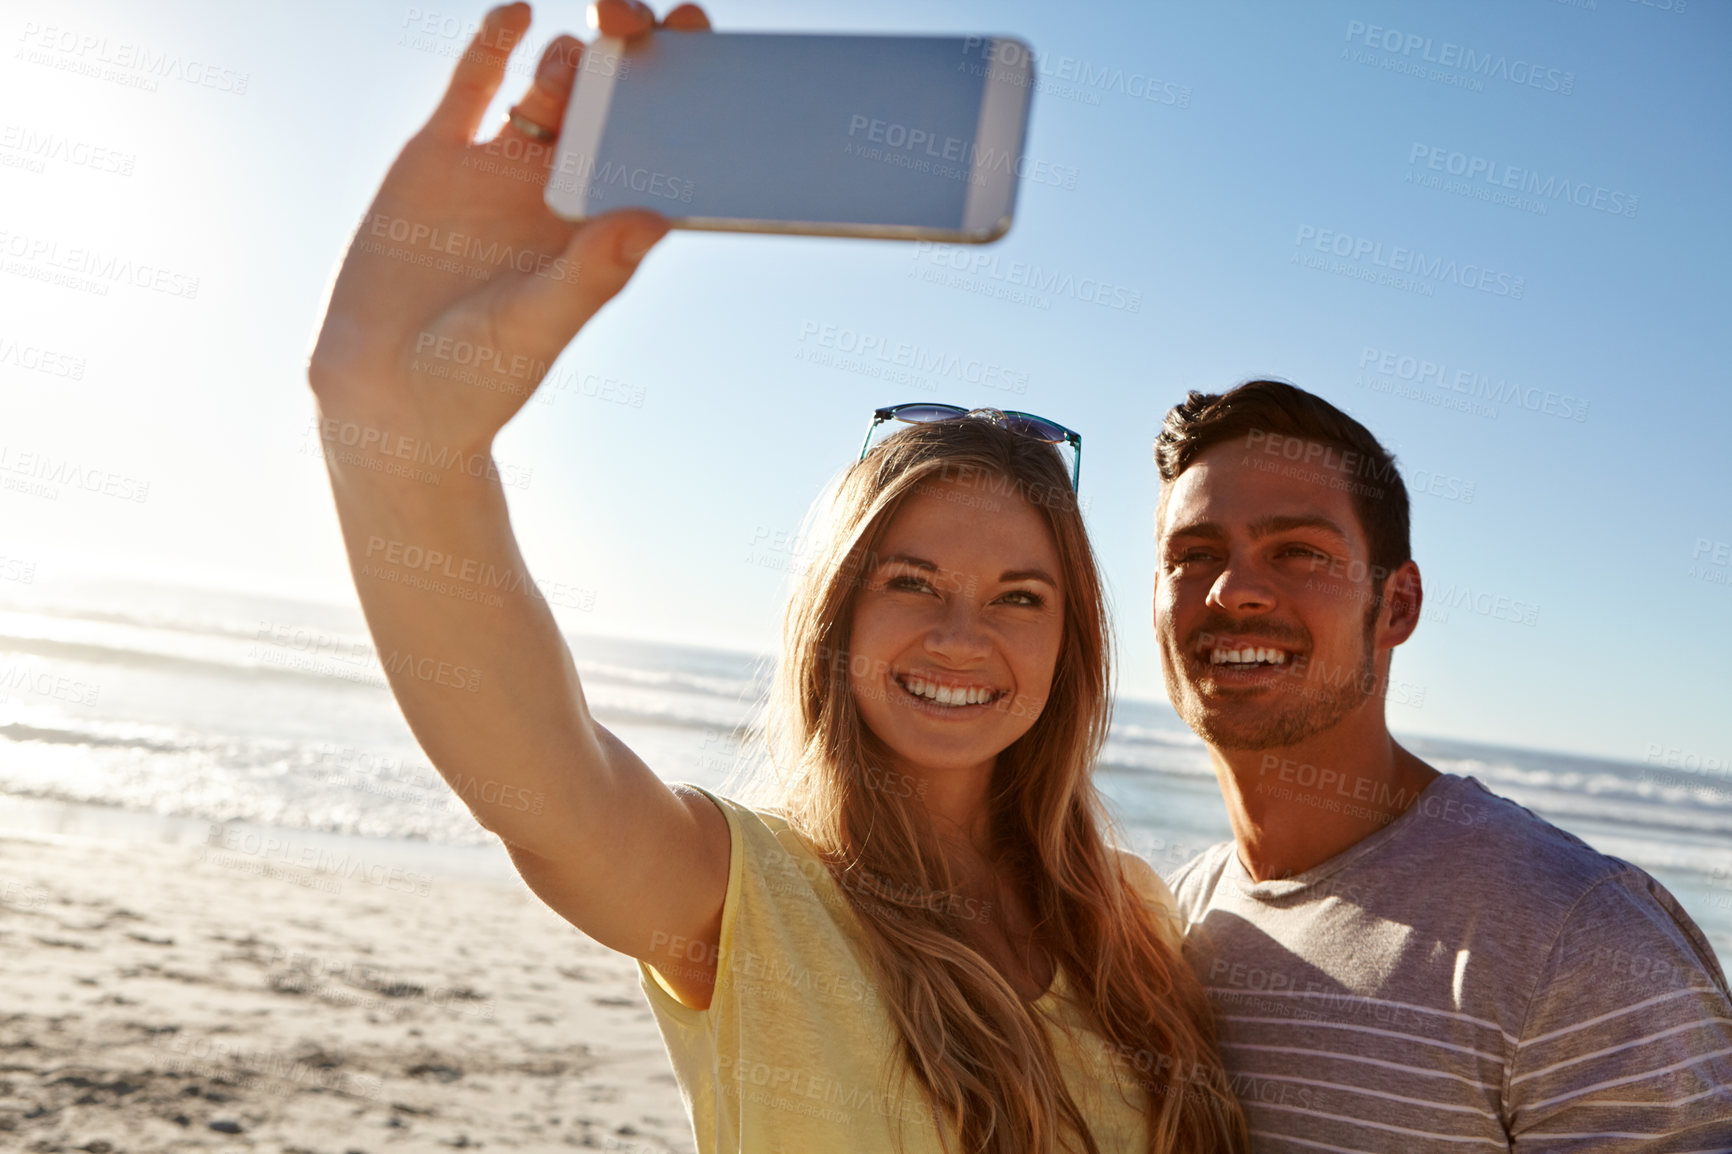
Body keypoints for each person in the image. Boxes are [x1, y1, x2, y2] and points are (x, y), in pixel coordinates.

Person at [305, 2, 1247, 1150]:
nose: (963, 631)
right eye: (911, 581)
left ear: (1073, 640)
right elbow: (542, 791)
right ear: (834, 616)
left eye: (1019, 595)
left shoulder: (1138, 918)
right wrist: (401, 452)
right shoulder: (742, 894)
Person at [1152, 379, 1732, 1151]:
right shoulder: (1177, 922)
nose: (1234, 591)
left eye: (1297, 551)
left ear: (1396, 605)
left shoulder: (1574, 938)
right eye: (1194, 555)